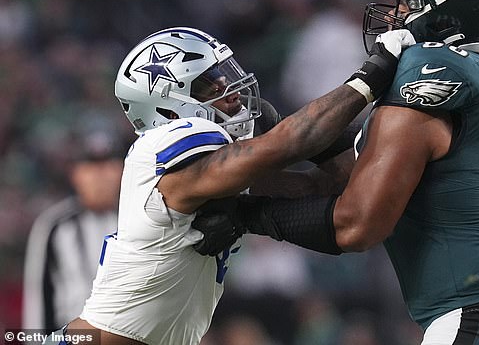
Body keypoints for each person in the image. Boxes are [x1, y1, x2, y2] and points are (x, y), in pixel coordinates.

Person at [195, 0, 479, 344]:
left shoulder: (429, 71)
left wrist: (250, 217)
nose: (393, 15)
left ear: (440, 13)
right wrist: (263, 167)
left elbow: (357, 225)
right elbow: (360, 170)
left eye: (406, 4)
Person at [43, 26, 414, 345]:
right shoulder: (163, 144)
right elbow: (289, 144)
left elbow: (324, 184)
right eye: (208, 83)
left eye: (221, 74)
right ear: (169, 108)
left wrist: (401, 122)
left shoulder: (207, 172)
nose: (228, 87)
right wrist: (369, 79)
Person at [22, 122, 125, 334]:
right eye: (91, 167)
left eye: (108, 165)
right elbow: (39, 296)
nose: (100, 176)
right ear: (75, 174)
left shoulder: (136, 220)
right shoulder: (55, 225)